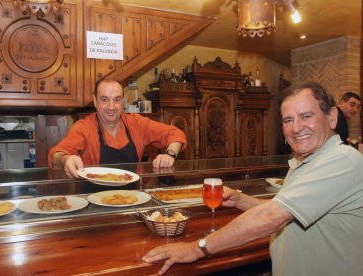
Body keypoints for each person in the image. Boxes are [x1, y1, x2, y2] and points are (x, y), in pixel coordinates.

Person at [143, 82, 363, 276]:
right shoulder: (307, 160)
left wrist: (195, 248)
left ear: (332, 117)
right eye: (288, 120)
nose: (296, 128)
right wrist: (240, 200)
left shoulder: (342, 161)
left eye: (306, 116)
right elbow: (289, 211)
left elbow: (272, 216)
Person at [48, 78, 187, 178]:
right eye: (104, 99)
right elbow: (56, 154)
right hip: (94, 201)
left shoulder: (137, 123)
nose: (111, 107)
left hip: (132, 199)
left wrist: (170, 154)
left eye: (116, 99)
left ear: (123, 101)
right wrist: (65, 160)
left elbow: (175, 133)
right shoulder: (84, 127)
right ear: (95, 101)